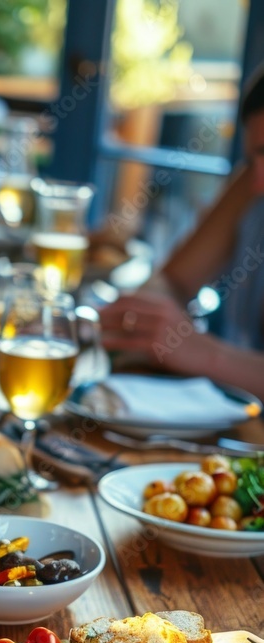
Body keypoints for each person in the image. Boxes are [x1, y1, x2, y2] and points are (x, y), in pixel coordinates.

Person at [99, 63, 264, 399]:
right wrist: (146, 323)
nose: (259, 182)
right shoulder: (250, 187)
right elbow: (172, 282)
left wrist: (202, 352)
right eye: (254, 158)